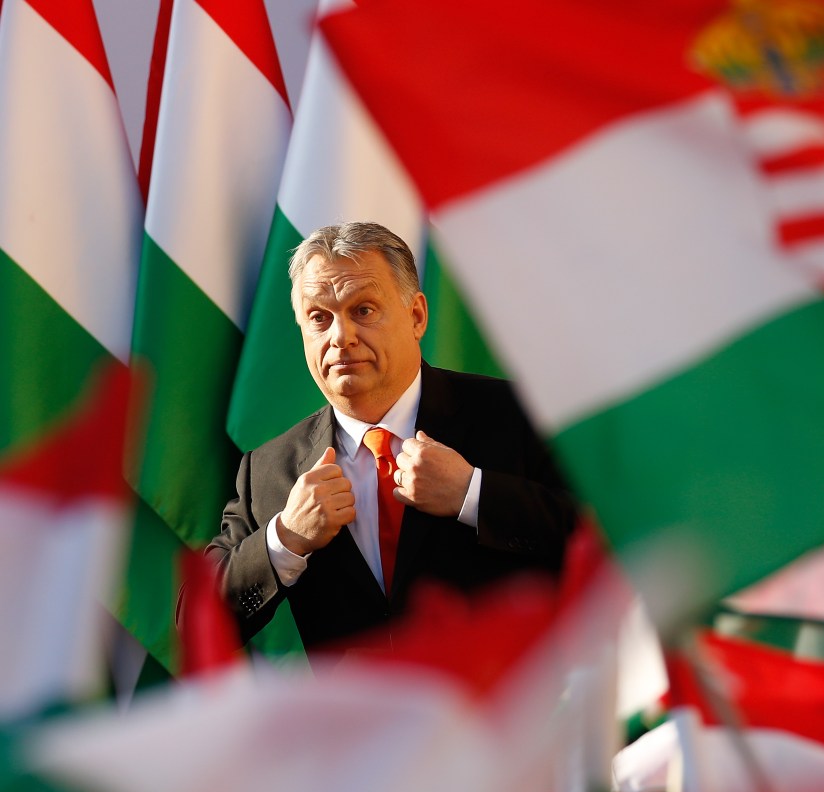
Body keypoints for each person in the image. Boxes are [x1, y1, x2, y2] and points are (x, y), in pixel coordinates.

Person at [206, 222, 574, 650]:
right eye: (319, 318)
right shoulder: (270, 469)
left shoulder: (515, 412)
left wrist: (472, 494)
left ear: (416, 316)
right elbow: (197, 620)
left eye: (363, 310)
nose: (340, 338)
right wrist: (286, 538)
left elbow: (609, 541)